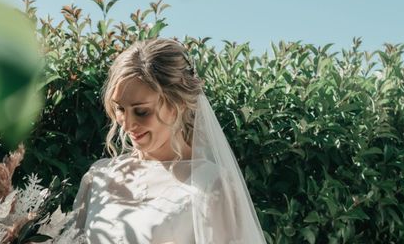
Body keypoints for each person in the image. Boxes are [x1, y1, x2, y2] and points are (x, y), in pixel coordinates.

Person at [65, 38, 267, 243]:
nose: (126, 125)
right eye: (120, 109)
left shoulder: (211, 184)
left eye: (141, 112)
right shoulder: (99, 176)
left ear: (177, 104)